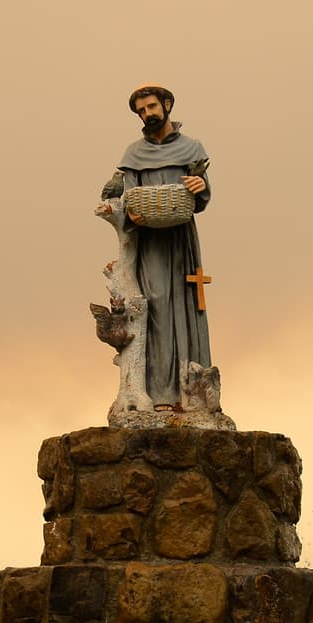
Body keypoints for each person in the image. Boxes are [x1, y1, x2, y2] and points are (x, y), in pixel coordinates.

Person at [118, 83, 212, 410]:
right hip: (152, 242)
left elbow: (201, 197)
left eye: (151, 107)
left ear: (167, 104)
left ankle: (192, 391)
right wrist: (130, 210)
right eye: (141, 111)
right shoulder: (133, 154)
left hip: (181, 239)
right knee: (156, 304)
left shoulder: (192, 147)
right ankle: (159, 394)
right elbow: (129, 198)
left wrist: (199, 187)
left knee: (187, 305)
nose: (147, 115)